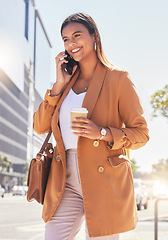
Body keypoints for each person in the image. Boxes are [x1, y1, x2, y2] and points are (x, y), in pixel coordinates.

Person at [33, 13, 149, 240]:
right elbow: (39, 127)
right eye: (66, 39)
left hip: (104, 180)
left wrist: (102, 132)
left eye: (77, 35)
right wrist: (57, 86)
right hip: (65, 180)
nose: (71, 43)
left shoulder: (118, 79)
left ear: (94, 36)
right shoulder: (64, 85)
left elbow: (141, 134)